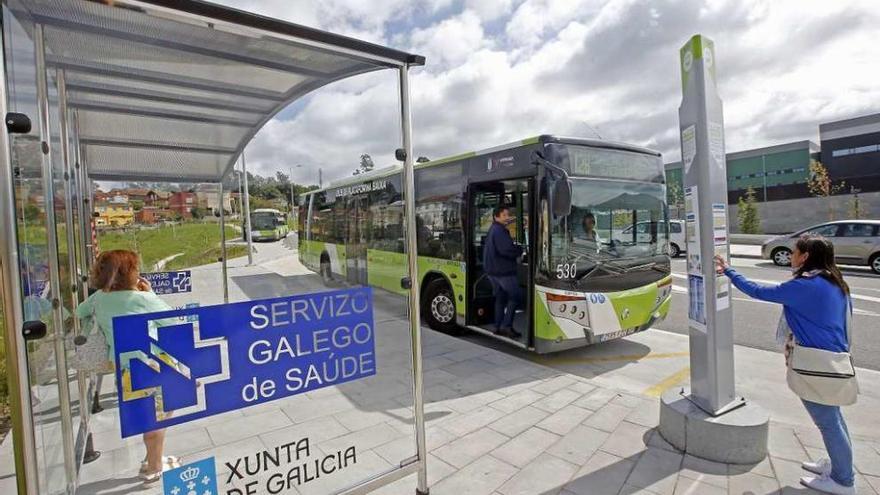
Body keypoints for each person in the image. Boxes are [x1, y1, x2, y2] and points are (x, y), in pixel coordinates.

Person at [715, 235, 855, 495]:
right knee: (834, 418)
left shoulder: (807, 286)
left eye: (794, 252)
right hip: (833, 359)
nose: (791, 256)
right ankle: (839, 466)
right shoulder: (833, 281)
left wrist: (729, 271)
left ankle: (843, 480)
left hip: (817, 364)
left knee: (828, 422)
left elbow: (758, 291)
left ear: (805, 256)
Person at [76, 250, 179, 484]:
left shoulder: (99, 298)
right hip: (156, 366)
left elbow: (79, 312)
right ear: (129, 273)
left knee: (147, 418)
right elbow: (171, 321)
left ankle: (151, 459)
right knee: (160, 420)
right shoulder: (143, 299)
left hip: (125, 369)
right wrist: (151, 294)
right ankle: (153, 466)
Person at [483, 206, 523, 339]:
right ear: (496, 217)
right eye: (504, 215)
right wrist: (519, 250)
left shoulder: (493, 229)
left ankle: (497, 326)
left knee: (500, 299)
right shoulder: (500, 231)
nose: (507, 217)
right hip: (503, 272)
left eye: (508, 215)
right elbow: (505, 250)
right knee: (516, 296)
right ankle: (507, 326)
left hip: (492, 271)